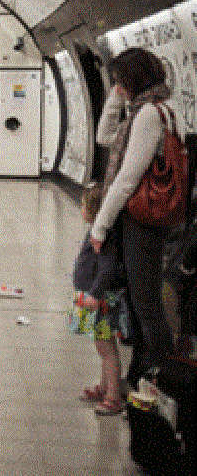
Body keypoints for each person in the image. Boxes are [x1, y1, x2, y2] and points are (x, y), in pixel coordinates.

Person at [90, 47, 179, 390]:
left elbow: (128, 178)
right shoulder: (145, 111)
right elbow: (104, 138)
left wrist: (100, 226)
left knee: (146, 305)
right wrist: (114, 100)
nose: (116, 85)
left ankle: (165, 381)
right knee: (138, 302)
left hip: (142, 219)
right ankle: (139, 377)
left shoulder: (149, 115)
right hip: (140, 219)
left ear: (133, 78)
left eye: (119, 79)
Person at [69, 190, 128, 415]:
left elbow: (107, 269)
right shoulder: (99, 233)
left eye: (84, 206)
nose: (81, 210)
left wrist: (94, 294)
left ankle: (113, 397)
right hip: (97, 297)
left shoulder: (103, 237)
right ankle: (105, 388)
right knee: (103, 344)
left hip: (101, 300)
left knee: (106, 348)